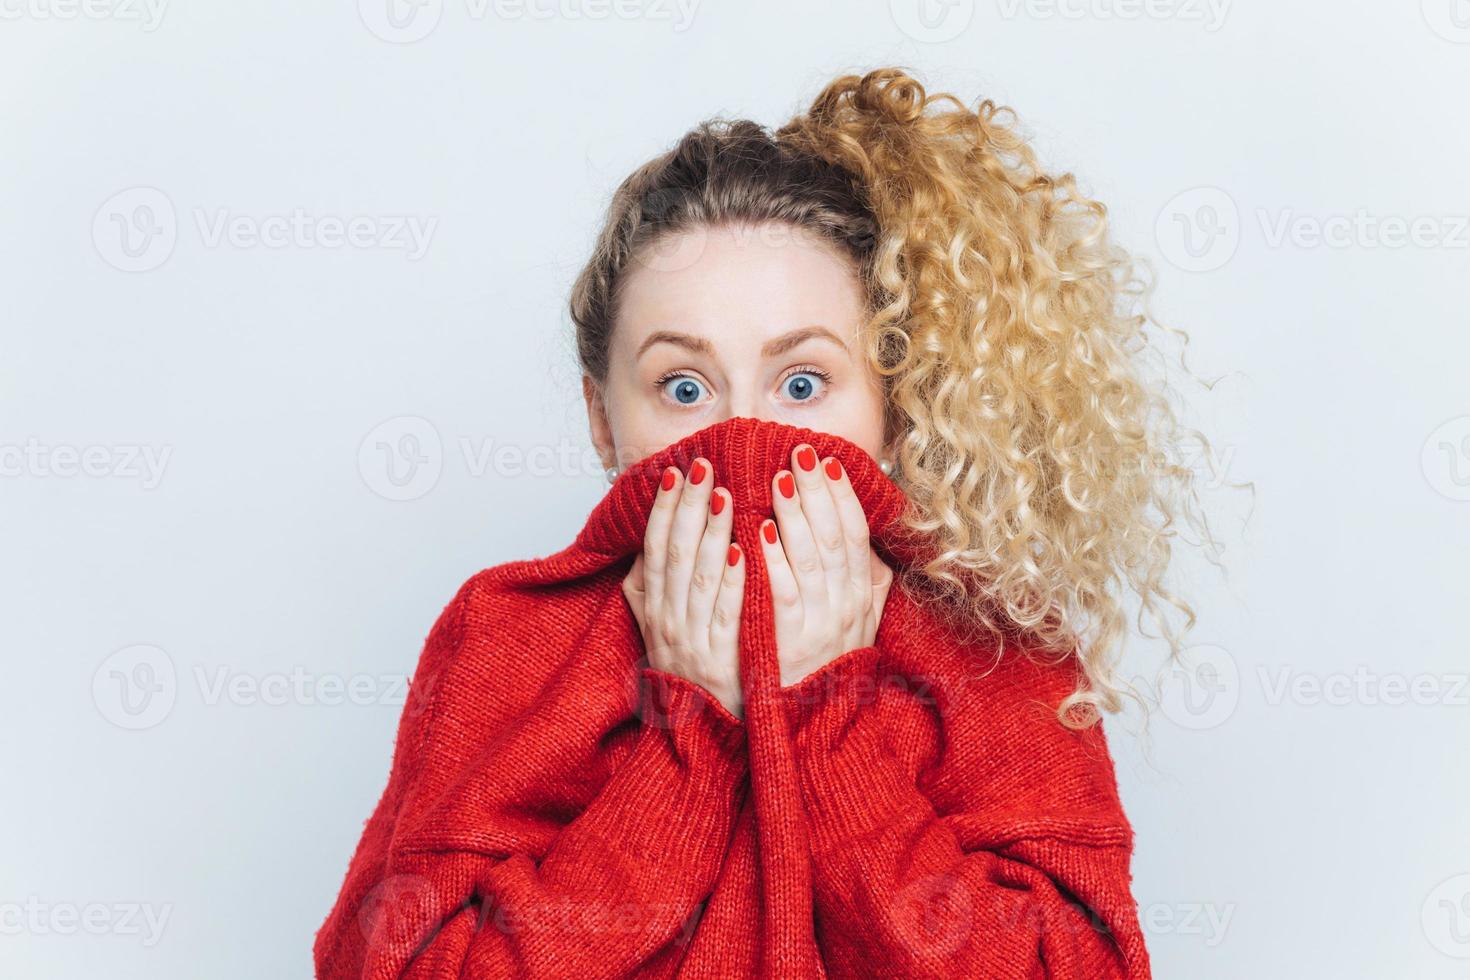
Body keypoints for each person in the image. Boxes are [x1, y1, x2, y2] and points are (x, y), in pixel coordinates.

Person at [315, 65, 1216, 979]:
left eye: (801, 383)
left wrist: (829, 716)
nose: (743, 432)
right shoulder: (507, 638)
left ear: (892, 412)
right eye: (683, 386)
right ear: (602, 419)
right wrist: (685, 740)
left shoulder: (996, 643)